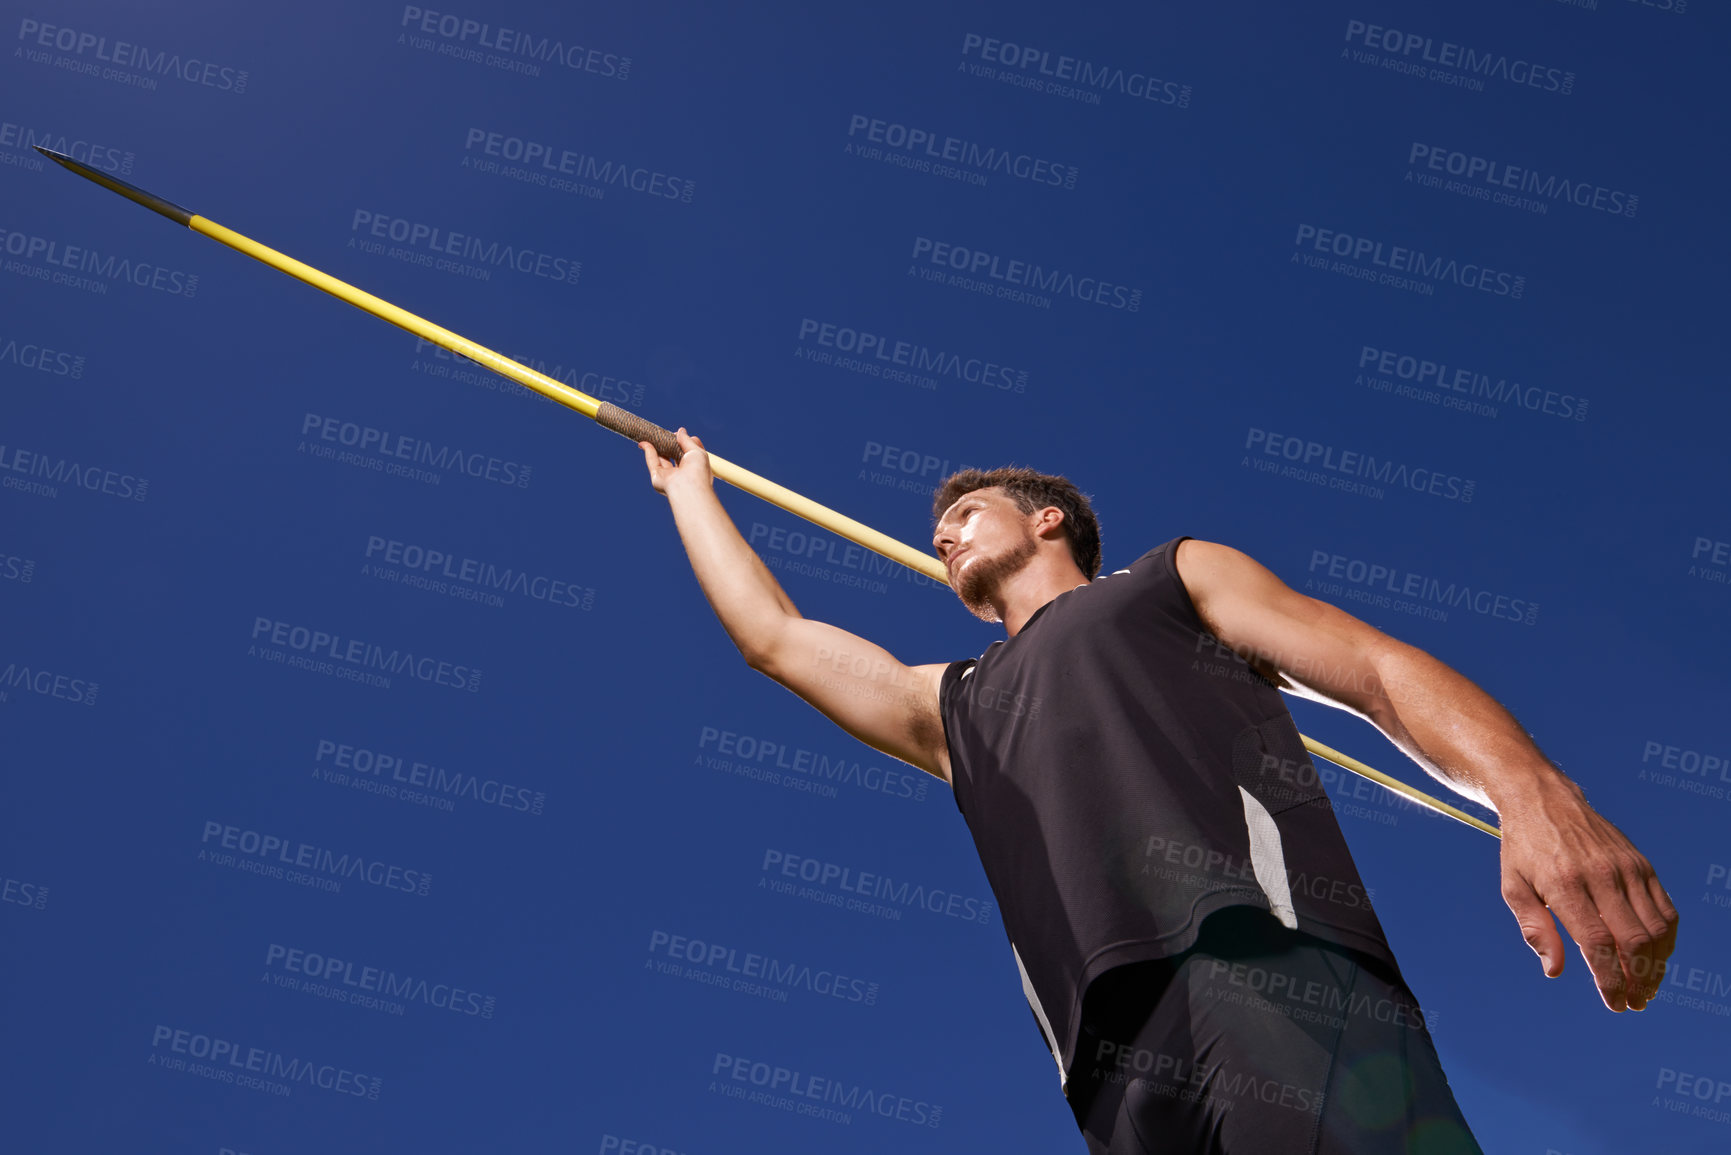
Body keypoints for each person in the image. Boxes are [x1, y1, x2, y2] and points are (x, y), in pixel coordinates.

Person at [640, 428, 1678, 1154]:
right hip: (1106, 1059)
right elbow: (775, 640)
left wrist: (1531, 791)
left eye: (965, 513)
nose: (944, 535)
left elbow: (1374, 668)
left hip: (1268, 970)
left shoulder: (1169, 581)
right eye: (940, 532)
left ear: (1049, 519)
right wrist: (692, 491)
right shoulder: (950, 703)